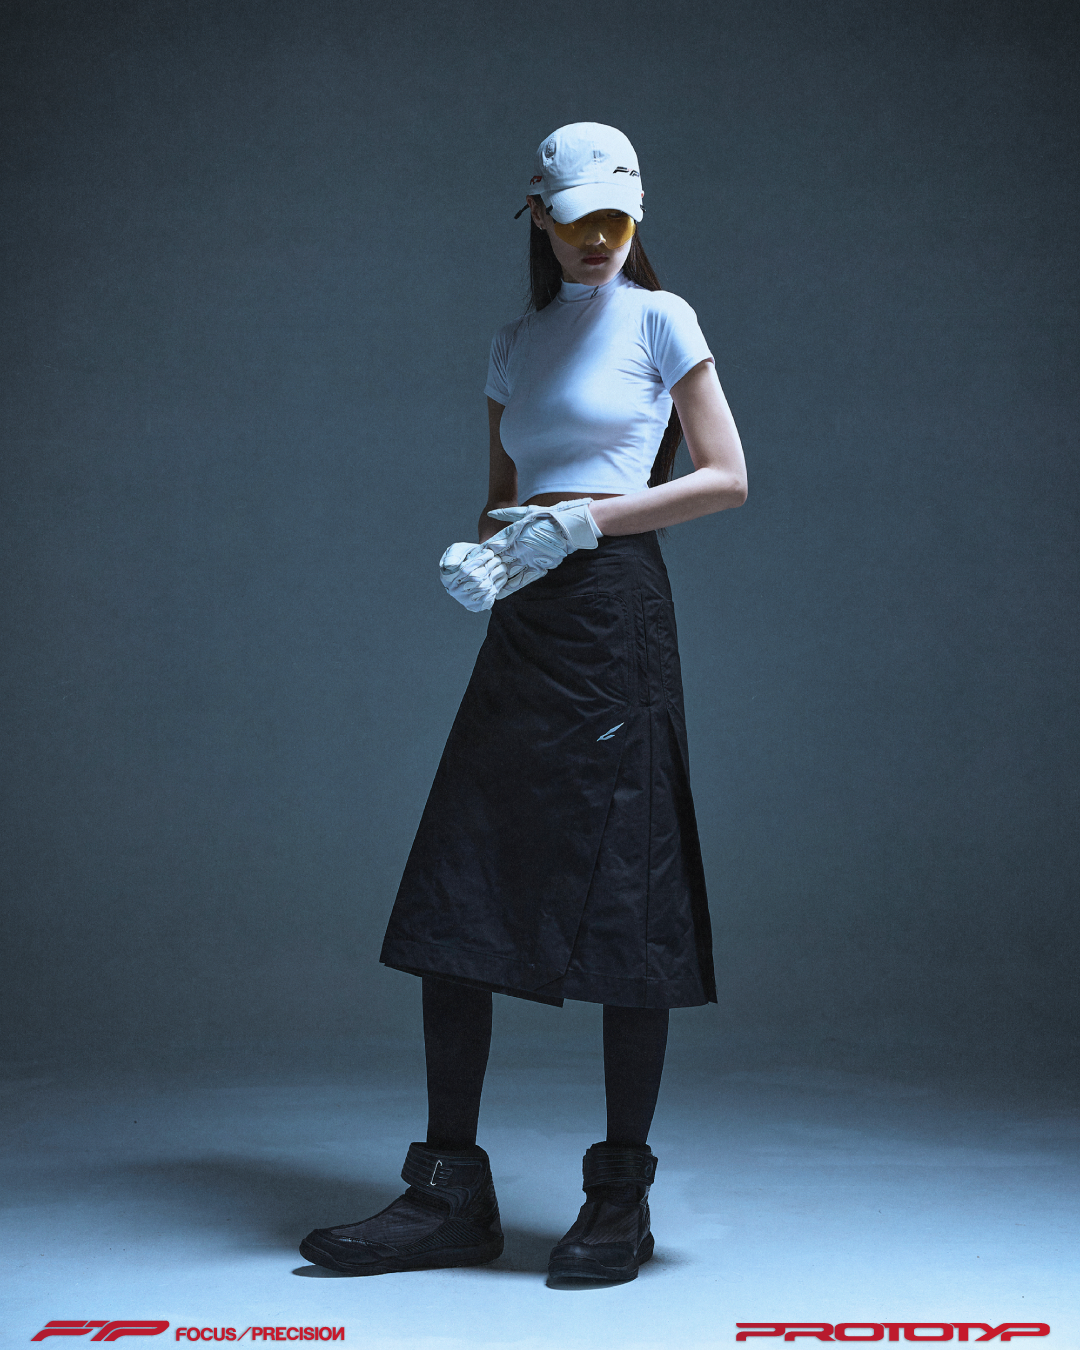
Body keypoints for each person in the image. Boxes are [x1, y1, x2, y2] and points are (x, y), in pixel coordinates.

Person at [300, 122, 747, 1285]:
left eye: (617, 221)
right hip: (531, 616)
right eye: (578, 219)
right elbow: (504, 495)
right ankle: (448, 1190)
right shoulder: (515, 345)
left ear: (636, 219)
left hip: (614, 615)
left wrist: (583, 521)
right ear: (538, 219)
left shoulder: (662, 318)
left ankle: (620, 1196)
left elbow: (726, 477)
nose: (599, 240)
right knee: (463, 872)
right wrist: (491, 554)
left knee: (626, 892)